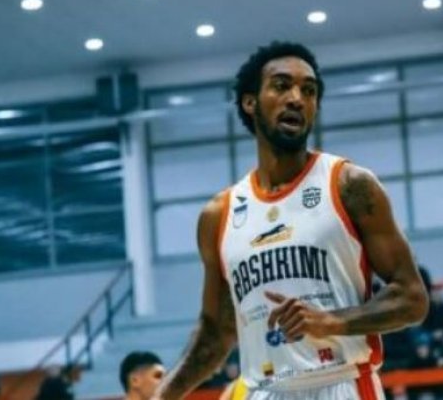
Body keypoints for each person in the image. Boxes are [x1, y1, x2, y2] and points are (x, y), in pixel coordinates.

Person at [155, 42, 428, 400]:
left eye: (308, 91)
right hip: (264, 390)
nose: (297, 98)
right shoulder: (219, 215)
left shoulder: (349, 185)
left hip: (341, 383)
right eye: (282, 86)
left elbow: (412, 298)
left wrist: (332, 321)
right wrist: (162, 395)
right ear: (250, 102)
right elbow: (216, 332)